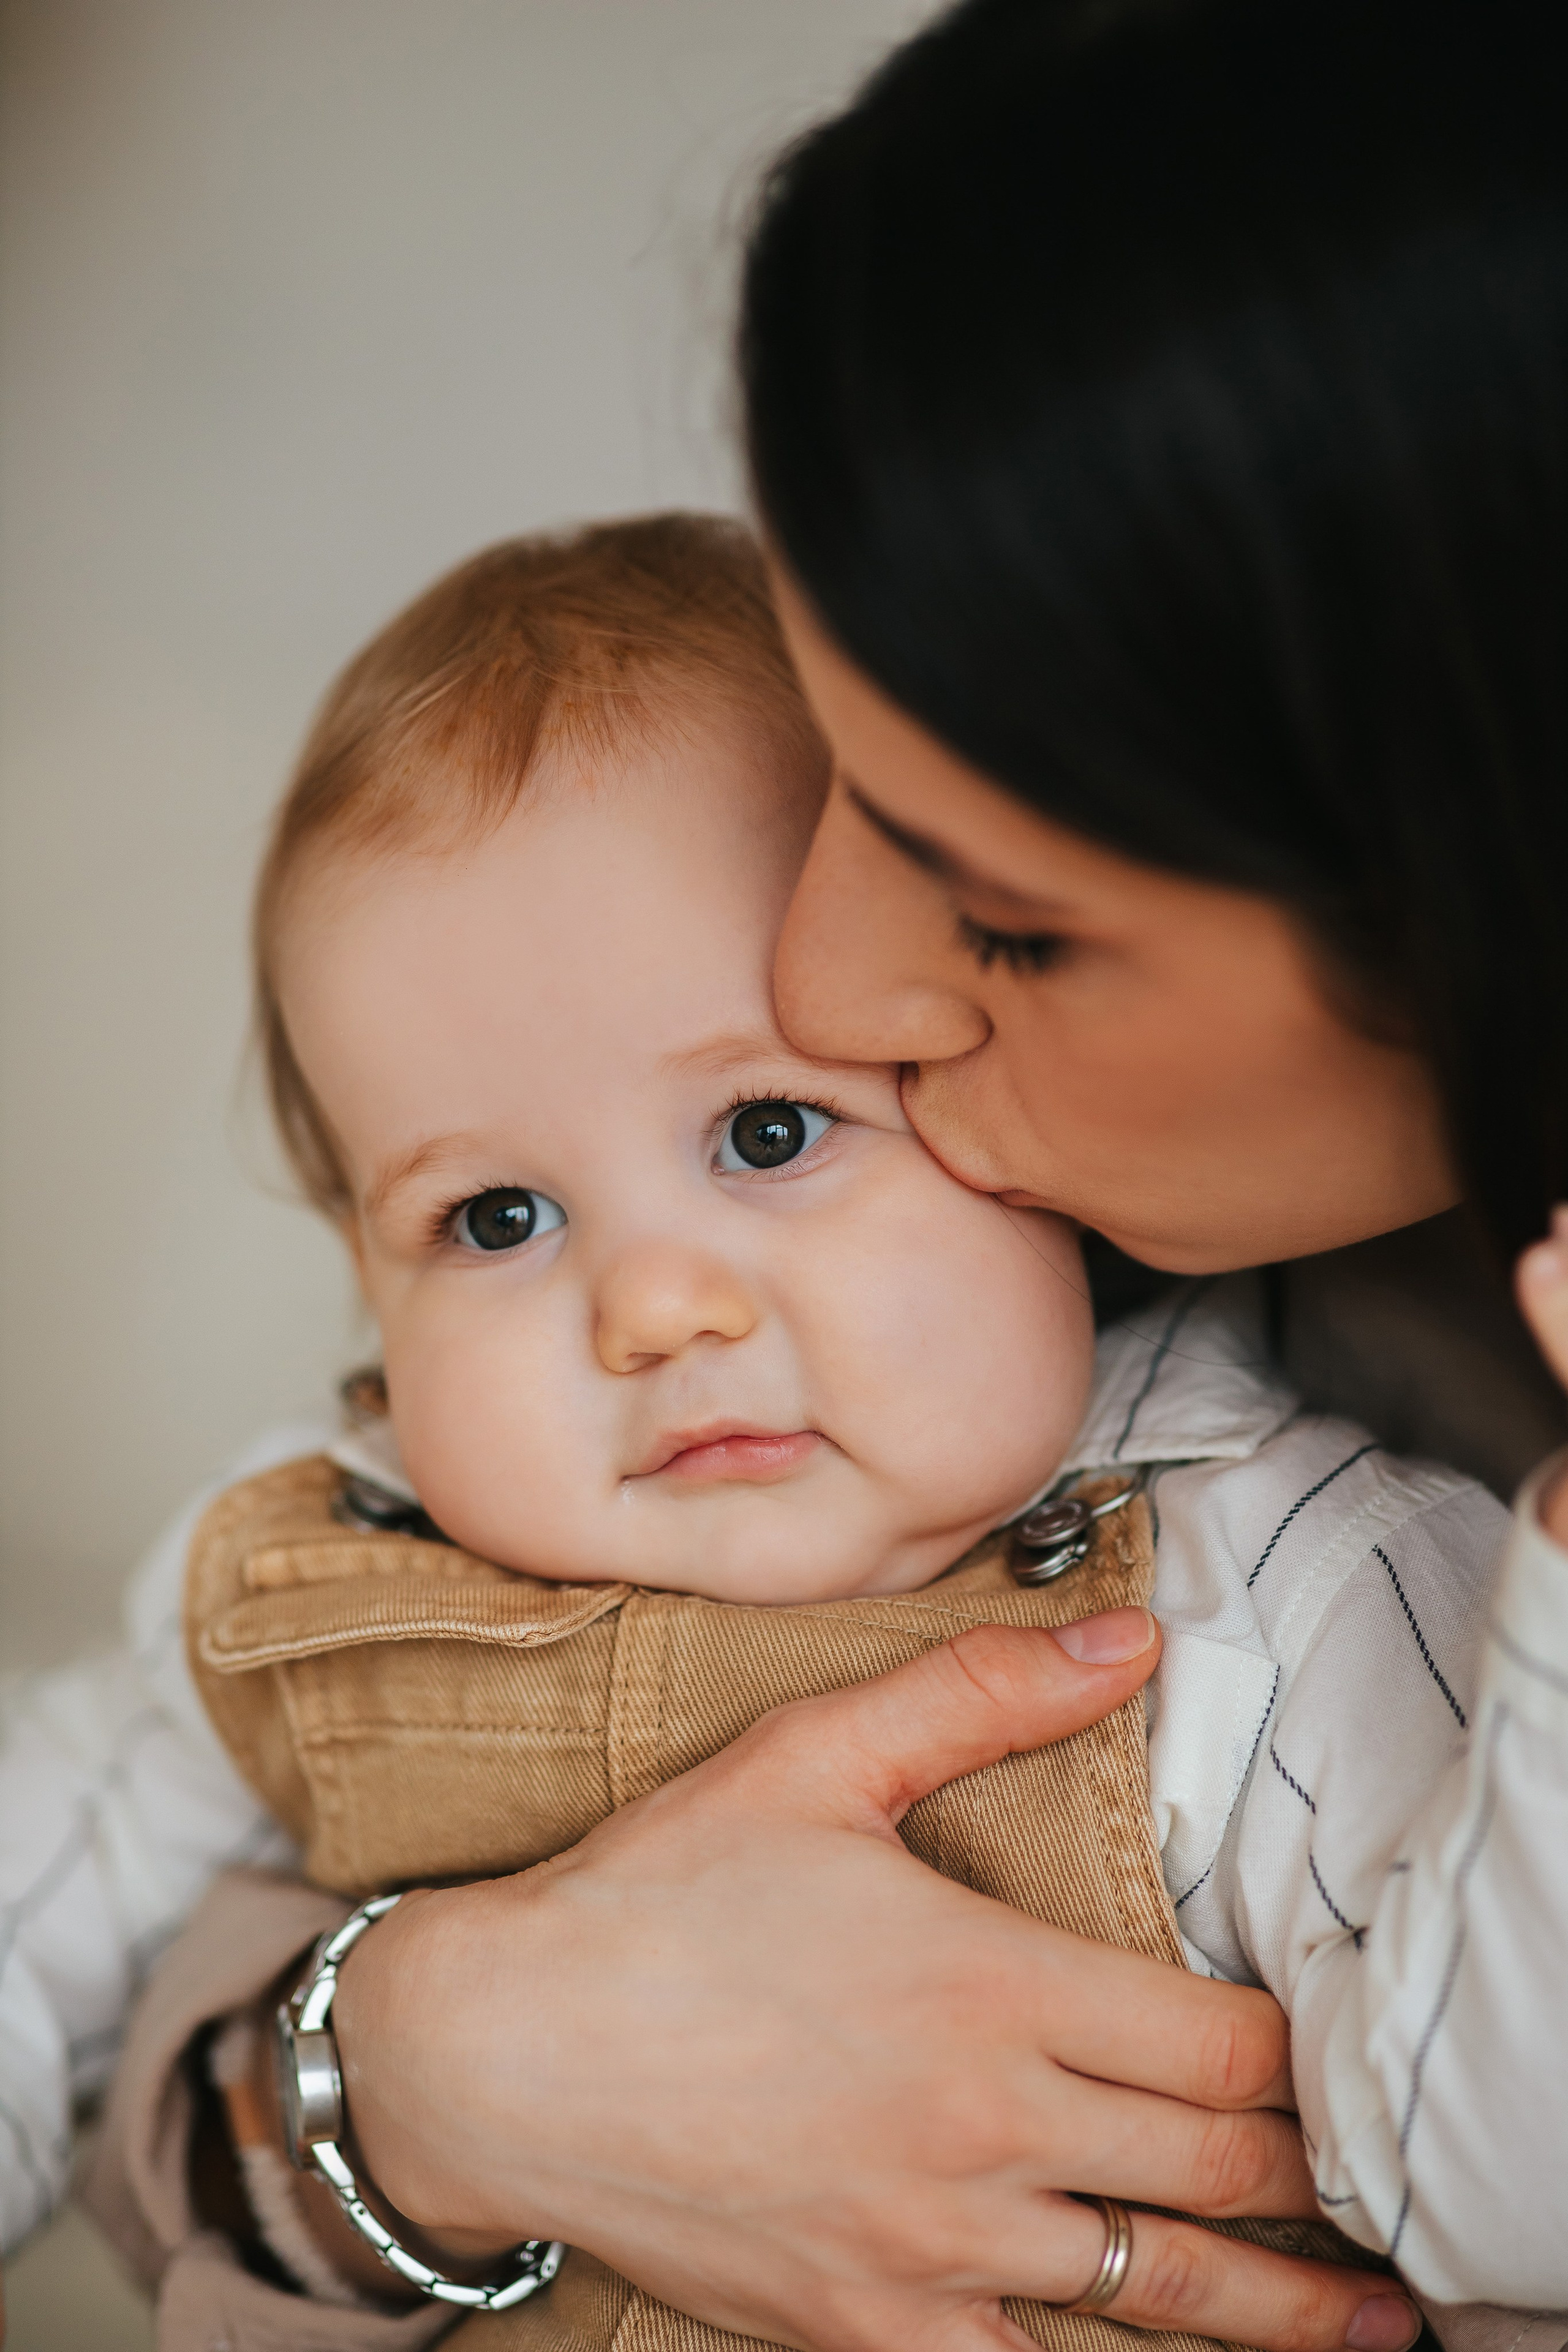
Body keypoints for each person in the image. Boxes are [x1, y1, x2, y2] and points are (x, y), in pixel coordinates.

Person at [4, 1, 1564, 2347]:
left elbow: (1507, 2166)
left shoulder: (1290, 1588)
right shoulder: (315, 1572)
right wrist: (419, 2066)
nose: (654, 1305)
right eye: (491, 1216)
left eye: (770, 1133)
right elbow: (83, 1986)